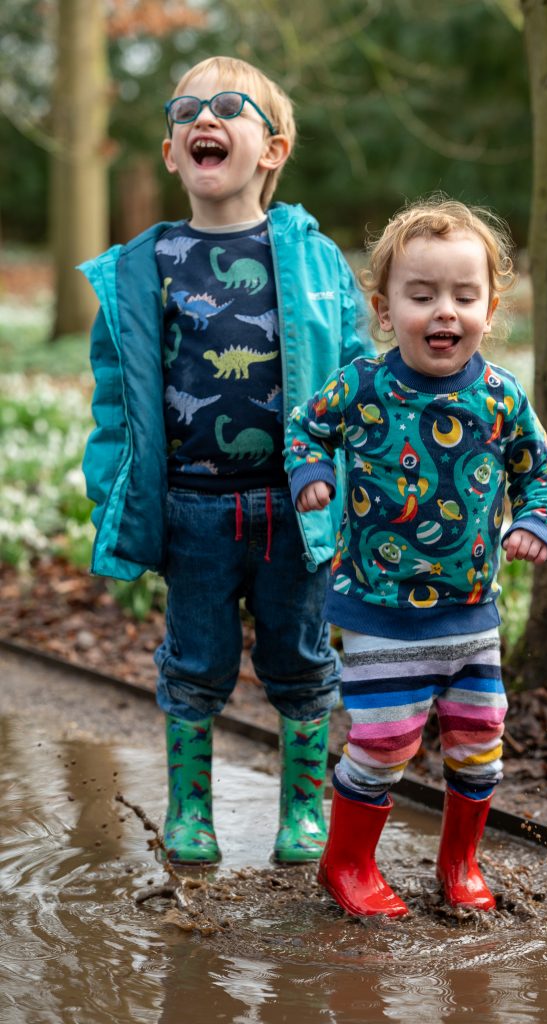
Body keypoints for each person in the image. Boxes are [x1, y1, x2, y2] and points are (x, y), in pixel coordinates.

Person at [79, 56, 372, 867]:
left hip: (296, 505)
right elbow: (114, 395)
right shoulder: (143, 266)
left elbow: (354, 374)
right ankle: (191, 808)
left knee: (303, 659)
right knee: (194, 662)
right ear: (174, 153)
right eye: (186, 111)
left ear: (271, 149)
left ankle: (304, 811)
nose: (204, 117)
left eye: (229, 106)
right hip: (192, 510)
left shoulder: (313, 261)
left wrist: (359, 482)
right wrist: (114, 489)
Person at [284, 197, 547, 917]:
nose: (445, 311)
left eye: (463, 296)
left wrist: (535, 517)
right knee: (383, 744)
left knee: (478, 743)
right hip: (378, 606)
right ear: (384, 309)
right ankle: (346, 864)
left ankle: (459, 862)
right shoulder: (360, 387)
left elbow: (541, 469)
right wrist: (310, 472)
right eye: (422, 295)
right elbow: (305, 428)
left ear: (489, 308)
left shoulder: (501, 398)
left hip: (470, 610)